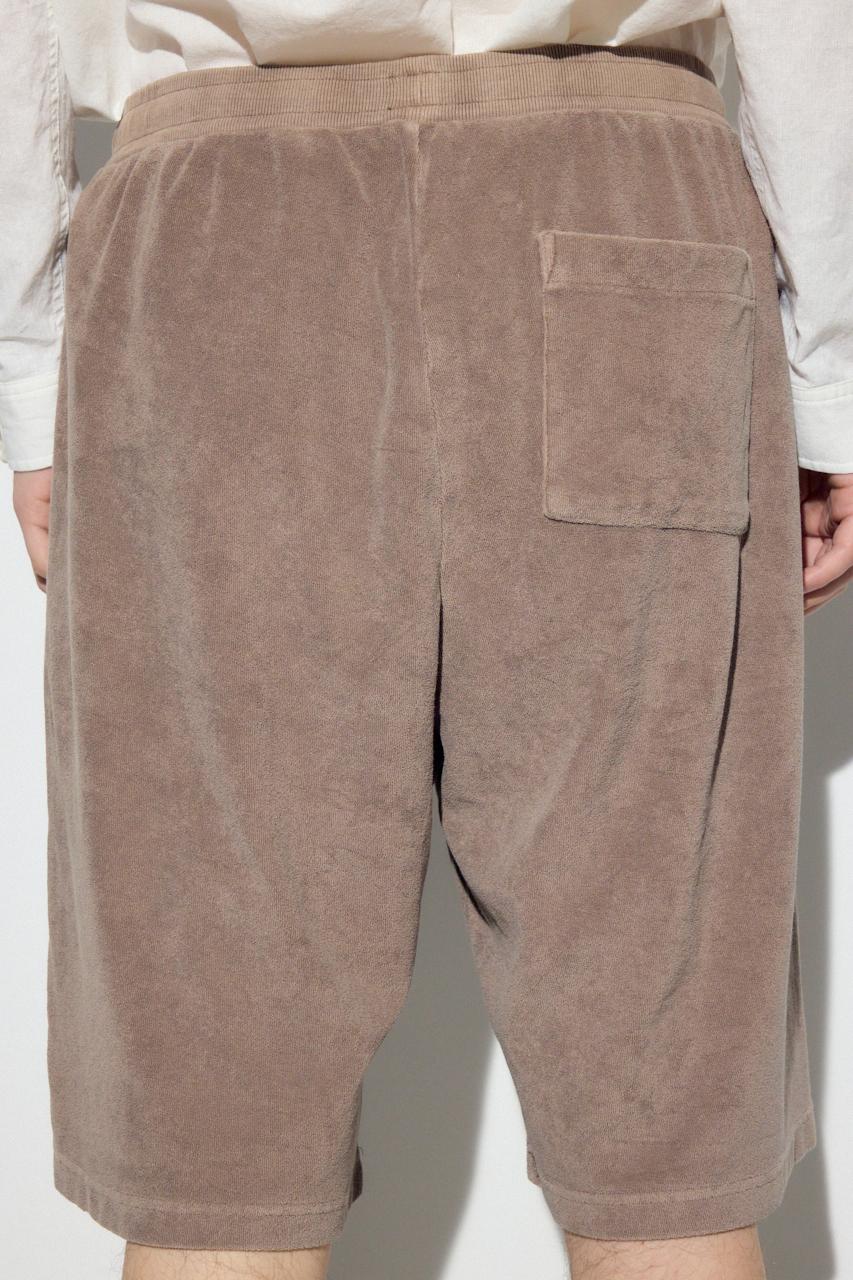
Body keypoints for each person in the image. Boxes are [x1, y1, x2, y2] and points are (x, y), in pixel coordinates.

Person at [2, 3, 852, 1279]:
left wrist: (32, 370)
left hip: (218, 247)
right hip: (622, 215)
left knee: (221, 1116)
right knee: (659, 1080)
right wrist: (829, 374)